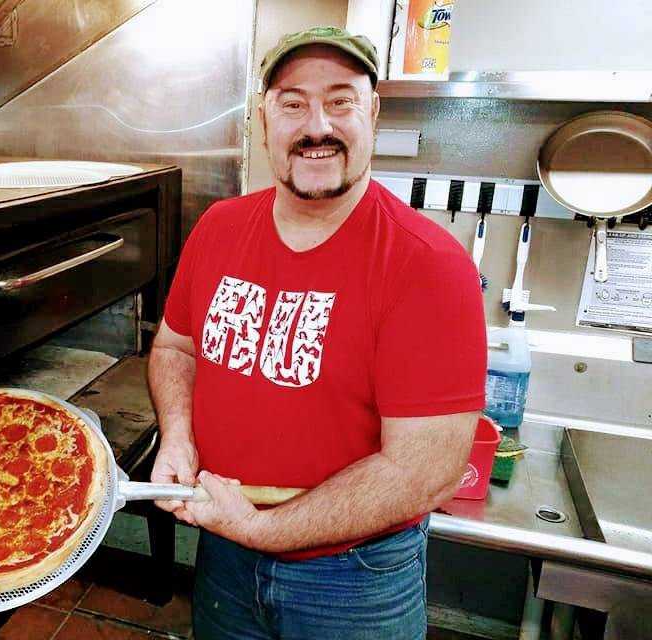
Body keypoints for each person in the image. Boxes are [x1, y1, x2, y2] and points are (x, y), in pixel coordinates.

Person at [147, 25, 487, 640]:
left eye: (339, 101)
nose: (317, 127)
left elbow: (425, 472)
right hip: (224, 549)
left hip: (353, 580)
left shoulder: (427, 266)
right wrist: (177, 435)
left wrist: (264, 529)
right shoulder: (219, 227)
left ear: (372, 112)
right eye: (293, 103)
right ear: (264, 119)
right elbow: (176, 347)